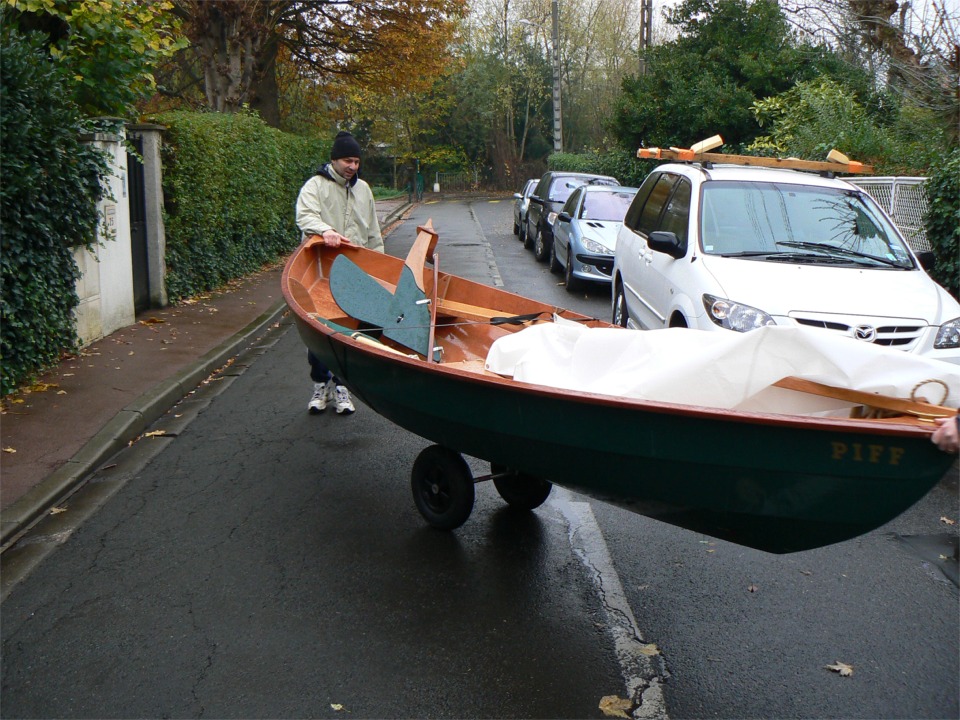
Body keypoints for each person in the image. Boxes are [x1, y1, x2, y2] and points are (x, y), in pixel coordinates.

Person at [295, 130, 383, 415]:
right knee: (322, 331)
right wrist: (326, 230)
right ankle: (321, 386)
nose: (352, 167)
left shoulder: (364, 189)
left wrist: (380, 271)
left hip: (356, 270)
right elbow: (305, 215)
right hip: (321, 270)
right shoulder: (315, 186)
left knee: (350, 331)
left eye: (356, 162)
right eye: (348, 160)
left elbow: (373, 233)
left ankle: (343, 387)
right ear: (334, 159)